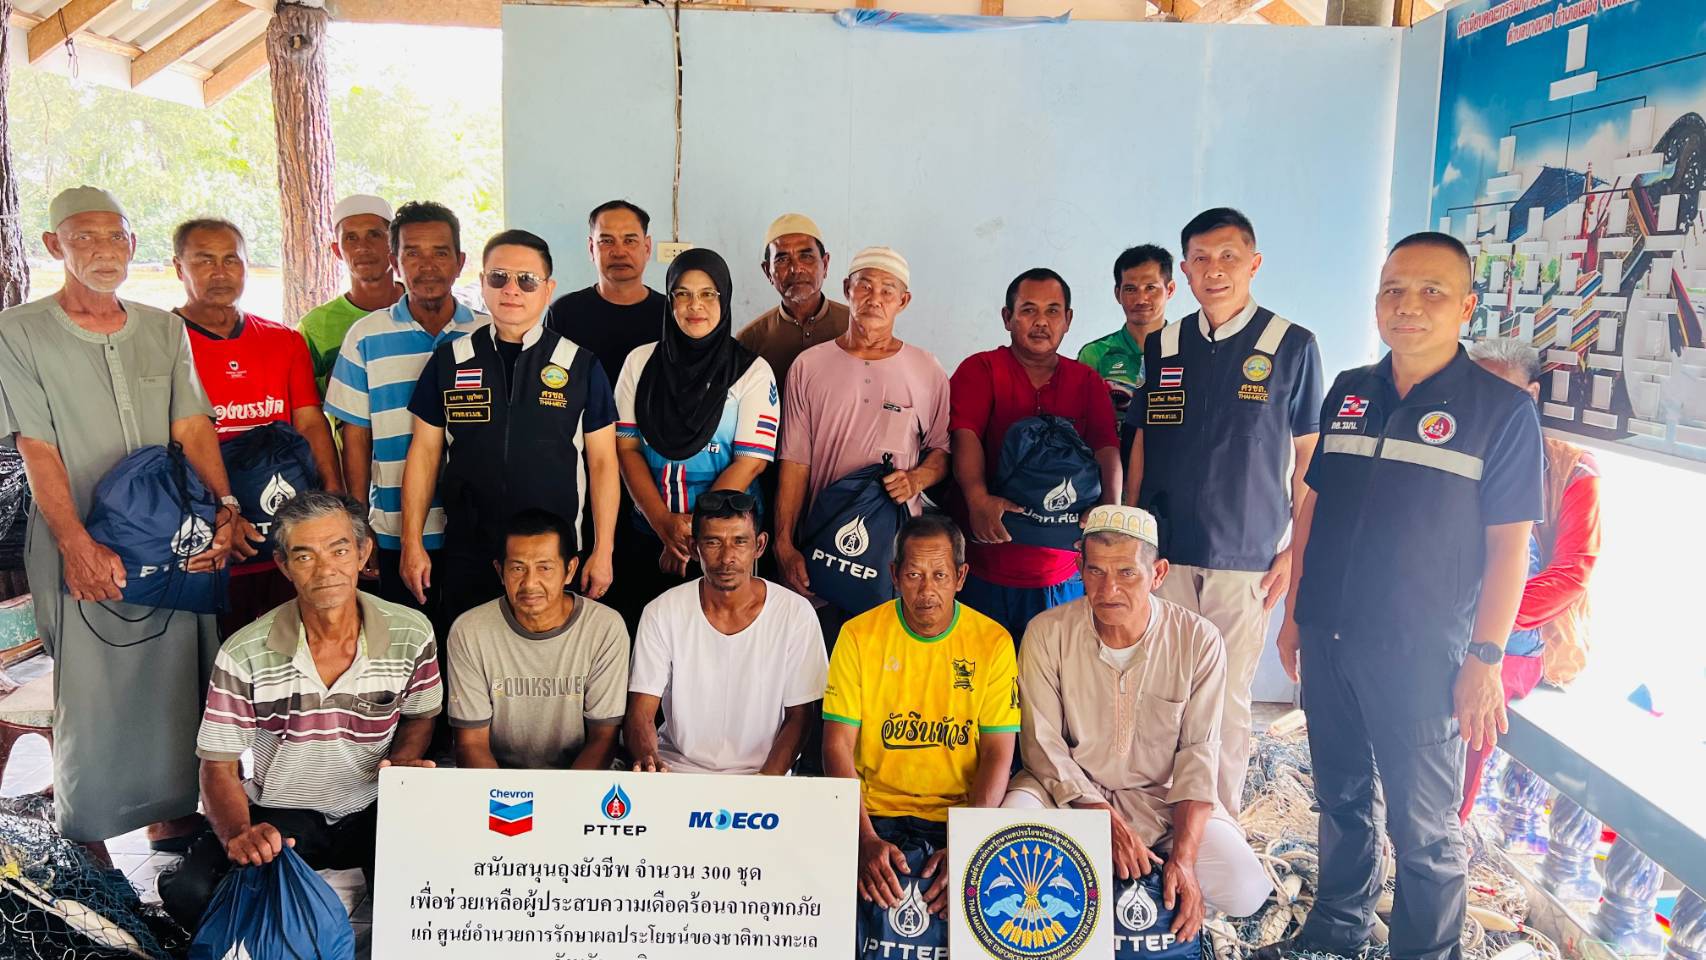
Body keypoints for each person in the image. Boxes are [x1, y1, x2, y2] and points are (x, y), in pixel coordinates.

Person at [1264, 233, 1543, 960]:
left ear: (1466, 308)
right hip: (1329, 635)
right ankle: (1337, 930)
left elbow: (1509, 547)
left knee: (1424, 830)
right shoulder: (1350, 389)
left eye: (1430, 292)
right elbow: (1314, 506)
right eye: (1393, 289)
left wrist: (1485, 658)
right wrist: (1294, 614)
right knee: (1341, 799)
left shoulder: (1500, 410)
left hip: (1422, 655)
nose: (1407, 305)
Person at [0, 186, 243, 856]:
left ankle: (174, 815)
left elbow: (191, 425)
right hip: (81, 537)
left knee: (179, 672)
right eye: (84, 237)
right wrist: (75, 543)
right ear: (54, 245)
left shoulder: (162, 328)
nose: (103, 250)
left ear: (133, 244)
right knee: (93, 687)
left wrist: (225, 507)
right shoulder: (20, 331)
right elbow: (37, 446)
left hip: (173, 535)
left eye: (115, 236)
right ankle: (88, 835)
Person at [158, 491, 441, 930]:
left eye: (339, 550)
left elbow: (421, 715)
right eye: (305, 556)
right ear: (284, 566)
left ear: (363, 552)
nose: (326, 569)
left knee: (438, 887)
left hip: (373, 806)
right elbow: (218, 765)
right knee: (192, 891)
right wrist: (239, 835)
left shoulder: (411, 632)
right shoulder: (245, 652)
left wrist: (403, 763)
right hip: (283, 813)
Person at [1123, 208, 1324, 815]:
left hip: (1248, 559)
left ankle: (1219, 824)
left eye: (1228, 257)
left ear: (1253, 264)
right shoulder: (1165, 343)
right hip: (1166, 554)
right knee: (1163, 692)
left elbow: (1308, 458)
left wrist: (1293, 554)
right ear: (1184, 272)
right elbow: (1142, 442)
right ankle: (1161, 820)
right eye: (1201, 259)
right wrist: (1131, 530)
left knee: (1228, 698)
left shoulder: (1291, 345)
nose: (1215, 270)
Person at [1004, 505, 1272, 942]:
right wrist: (1102, 820)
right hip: (1067, 798)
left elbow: (1199, 756)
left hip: (1160, 803)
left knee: (1244, 889)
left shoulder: (1198, 639)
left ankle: (1138, 876)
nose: (1109, 589)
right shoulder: (1046, 632)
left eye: (1127, 573)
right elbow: (1042, 747)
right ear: (1080, 569)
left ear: (1158, 573)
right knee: (1008, 838)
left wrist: (1184, 859)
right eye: (1096, 571)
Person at [400, 229, 619, 624]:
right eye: (499, 277)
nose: (512, 290)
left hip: (550, 556)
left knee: (545, 653)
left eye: (527, 280)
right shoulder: (450, 360)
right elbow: (424, 453)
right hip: (470, 549)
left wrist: (604, 550)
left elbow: (603, 462)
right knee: (467, 650)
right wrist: (411, 542)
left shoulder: (581, 365)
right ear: (483, 283)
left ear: (548, 289)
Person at [824, 513, 1017, 920]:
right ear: (894, 575)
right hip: (873, 814)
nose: (927, 590)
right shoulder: (858, 636)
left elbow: (998, 753)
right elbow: (837, 745)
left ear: (961, 577)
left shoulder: (993, 642)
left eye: (940, 575)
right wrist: (862, 838)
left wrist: (969, 842)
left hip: (958, 816)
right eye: (913, 575)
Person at [172, 217, 342, 638]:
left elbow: (309, 421)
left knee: (293, 642)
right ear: (178, 267)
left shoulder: (283, 340)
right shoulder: (161, 342)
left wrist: (335, 495)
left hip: (285, 535)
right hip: (205, 538)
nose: (220, 272)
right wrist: (219, 511)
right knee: (217, 653)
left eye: (231, 260)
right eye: (205, 260)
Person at [1459, 338, 1600, 820]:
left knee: (1466, 718)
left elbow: (1573, 572)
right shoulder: (1452, 444)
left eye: (1501, 392)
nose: (1486, 406)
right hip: (1449, 620)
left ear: (1532, 394)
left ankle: (1445, 832)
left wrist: (1486, 620)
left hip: (1518, 637)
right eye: (1475, 391)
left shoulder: (1571, 466)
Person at [324, 201, 487, 616]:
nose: (427, 265)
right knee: (409, 642)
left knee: (474, 641)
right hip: (395, 528)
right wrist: (358, 523)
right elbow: (356, 437)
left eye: (440, 252)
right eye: (413, 253)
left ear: (460, 262)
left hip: (478, 529)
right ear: (395, 262)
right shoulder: (365, 336)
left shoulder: (487, 333)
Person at [773, 246, 950, 628]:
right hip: (822, 547)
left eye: (888, 290)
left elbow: (941, 450)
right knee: (821, 652)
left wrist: (916, 479)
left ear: (904, 301)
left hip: (893, 558)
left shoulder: (927, 369)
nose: (875, 298)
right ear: (846, 289)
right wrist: (784, 544)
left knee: (886, 653)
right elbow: (795, 461)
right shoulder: (809, 366)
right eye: (865, 286)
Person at [948, 268, 1120, 641]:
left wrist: (1108, 511)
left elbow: (1106, 447)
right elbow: (964, 435)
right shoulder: (981, 369)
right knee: (981, 673)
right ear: (1007, 317)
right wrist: (977, 498)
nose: (1041, 322)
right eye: (1028, 310)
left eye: (1053, 311)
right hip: (985, 562)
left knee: (1055, 675)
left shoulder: (1086, 381)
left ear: (1068, 319)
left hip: (1064, 572)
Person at [611, 248, 779, 623]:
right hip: (649, 532)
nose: (695, 305)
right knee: (652, 634)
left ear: (725, 299)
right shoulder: (640, 363)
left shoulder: (751, 371)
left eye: (707, 294)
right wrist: (663, 525)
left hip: (726, 542)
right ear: (670, 300)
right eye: (683, 293)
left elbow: (750, 464)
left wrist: (695, 534)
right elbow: (627, 449)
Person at [625, 490, 827, 775]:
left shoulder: (795, 613)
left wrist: (765, 785)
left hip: (764, 774)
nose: (727, 557)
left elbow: (801, 717)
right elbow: (641, 713)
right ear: (694, 547)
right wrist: (649, 760)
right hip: (677, 771)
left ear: (759, 545)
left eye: (740, 542)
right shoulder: (662, 612)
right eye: (713, 542)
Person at [447, 509, 628, 771]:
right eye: (518, 568)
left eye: (545, 568)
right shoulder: (470, 631)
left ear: (569, 570)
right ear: (500, 571)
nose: (530, 583)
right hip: (498, 780)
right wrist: (506, 795)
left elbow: (603, 738)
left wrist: (566, 796)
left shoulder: (604, 628)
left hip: (580, 779)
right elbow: (471, 744)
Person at [544, 199, 668, 384]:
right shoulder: (564, 312)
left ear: (647, 247)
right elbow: (548, 382)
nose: (619, 252)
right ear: (591, 248)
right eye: (607, 241)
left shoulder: (671, 314)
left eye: (630, 241)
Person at [298, 195, 402, 396]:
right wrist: (340, 376)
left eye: (374, 235)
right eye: (351, 238)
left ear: (395, 244)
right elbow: (303, 403)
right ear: (337, 250)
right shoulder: (315, 326)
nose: (363, 247)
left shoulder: (423, 310)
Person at [1081, 244, 1175, 462]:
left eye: (1151, 288)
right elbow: (1082, 425)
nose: (1141, 299)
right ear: (1118, 294)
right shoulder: (1095, 354)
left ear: (1169, 290)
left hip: (1169, 471)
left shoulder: (1189, 351)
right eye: (1131, 289)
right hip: (1109, 473)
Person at [736, 213, 851, 389]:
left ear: (825, 264)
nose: (796, 269)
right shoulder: (750, 341)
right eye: (782, 259)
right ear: (767, 271)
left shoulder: (854, 325)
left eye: (806, 256)